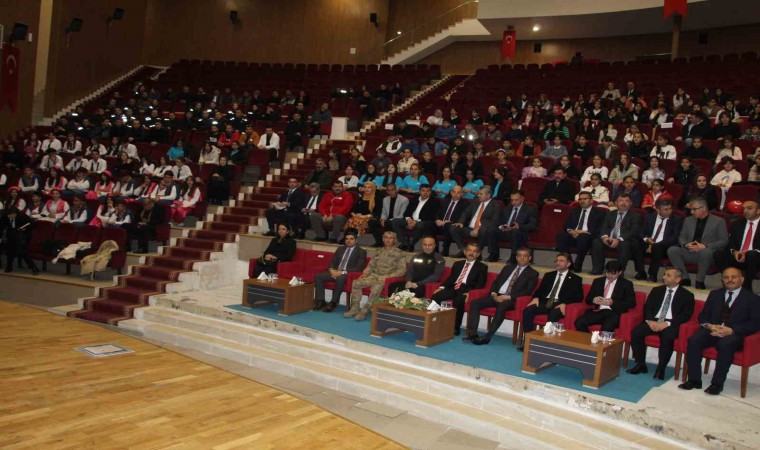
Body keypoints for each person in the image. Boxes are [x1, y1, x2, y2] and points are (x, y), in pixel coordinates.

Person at [679, 267, 760, 395]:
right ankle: (694, 380)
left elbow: (755, 324)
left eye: (734, 277)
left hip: (735, 334)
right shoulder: (715, 294)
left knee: (725, 344)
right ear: (722, 280)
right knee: (694, 340)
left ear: (742, 279)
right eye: (726, 277)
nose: (730, 280)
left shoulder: (752, 298)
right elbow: (703, 316)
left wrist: (732, 330)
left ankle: (717, 384)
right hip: (713, 330)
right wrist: (710, 326)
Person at [627, 266, 695, 380]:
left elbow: (686, 315)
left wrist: (667, 323)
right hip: (654, 321)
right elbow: (647, 307)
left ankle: (661, 368)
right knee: (636, 332)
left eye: (668, 275)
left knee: (667, 337)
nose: (664, 277)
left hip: (670, 324)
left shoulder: (687, 295)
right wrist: (650, 320)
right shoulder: (656, 290)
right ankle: (640, 364)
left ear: (678, 279)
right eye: (664, 274)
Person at [467, 248, 539, 345]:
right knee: (475, 303)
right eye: (519, 255)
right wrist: (493, 293)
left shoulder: (533, 273)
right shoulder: (507, 268)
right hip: (497, 295)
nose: (522, 258)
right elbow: (496, 282)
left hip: (511, 299)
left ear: (529, 258)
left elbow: (527, 292)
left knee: (502, 305)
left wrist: (508, 297)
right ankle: (473, 334)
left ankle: (487, 337)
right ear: (516, 257)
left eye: (525, 256)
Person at [518, 253, 584, 351]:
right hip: (546, 302)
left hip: (559, 304)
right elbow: (540, 290)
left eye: (561, 261)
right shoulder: (549, 275)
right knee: (528, 310)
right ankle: (529, 341)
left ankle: (546, 344)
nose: (558, 263)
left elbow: (579, 297)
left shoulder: (575, 279)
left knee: (553, 314)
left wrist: (565, 304)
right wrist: (536, 298)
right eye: (557, 261)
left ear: (568, 264)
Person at [667, 197, 728, 289]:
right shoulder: (688, 220)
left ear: (703, 208)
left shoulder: (719, 221)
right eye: (691, 209)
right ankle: (684, 278)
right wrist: (686, 245)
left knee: (706, 252)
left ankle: (700, 281)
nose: (692, 212)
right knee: (672, 250)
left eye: (694, 209)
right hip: (690, 252)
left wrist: (705, 246)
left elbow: (724, 240)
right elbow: (681, 237)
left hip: (708, 255)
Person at [345, 231, 407, 321]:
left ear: (395, 240)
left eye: (390, 238)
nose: (388, 240)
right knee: (356, 283)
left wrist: (389, 276)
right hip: (374, 276)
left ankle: (365, 310)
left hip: (385, 279)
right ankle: (354, 308)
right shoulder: (378, 251)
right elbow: (371, 265)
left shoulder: (400, 253)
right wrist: (366, 272)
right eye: (386, 237)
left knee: (376, 288)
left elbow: (402, 270)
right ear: (383, 239)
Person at [431, 243, 488, 335]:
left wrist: (471, 294)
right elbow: (451, 278)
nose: (471, 253)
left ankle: (455, 327)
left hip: (466, 290)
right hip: (454, 288)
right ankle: (436, 322)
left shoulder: (482, 267)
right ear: (465, 252)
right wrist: (441, 287)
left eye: (474, 251)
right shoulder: (457, 264)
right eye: (469, 250)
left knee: (458, 301)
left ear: (478, 254)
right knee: (436, 296)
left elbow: (481, 284)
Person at [313, 229, 368, 312]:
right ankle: (320, 301)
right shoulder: (340, 249)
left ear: (356, 240)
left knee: (341, 278)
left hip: (348, 274)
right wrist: (331, 270)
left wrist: (342, 272)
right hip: (335, 272)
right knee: (318, 276)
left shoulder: (361, 252)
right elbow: (333, 262)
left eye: (351, 239)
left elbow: (359, 268)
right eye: (347, 239)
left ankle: (333, 302)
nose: (348, 241)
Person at [575, 260, 635, 333]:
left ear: (620, 273)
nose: (610, 276)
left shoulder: (626, 284)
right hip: (598, 311)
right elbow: (588, 299)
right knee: (579, 322)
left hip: (614, 313)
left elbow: (631, 303)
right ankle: (589, 339)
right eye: (608, 273)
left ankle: (603, 340)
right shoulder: (598, 281)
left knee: (606, 328)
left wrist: (612, 302)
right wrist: (594, 300)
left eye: (613, 274)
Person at [590, 193, 643, 275]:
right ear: (616, 203)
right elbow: (604, 227)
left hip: (624, 240)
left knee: (625, 244)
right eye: (620, 200)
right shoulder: (610, 214)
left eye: (627, 201)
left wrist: (618, 239)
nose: (623, 203)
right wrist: (605, 237)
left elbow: (633, 231)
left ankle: (619, 271)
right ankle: (597, 269)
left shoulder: (636, 216)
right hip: (610, 239)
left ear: (631, 203)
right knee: (597, 242)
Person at [632, 198, 682, 282]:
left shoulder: (676, 219)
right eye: (666, 209)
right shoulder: (650, 217)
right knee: (636, 244)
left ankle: (653, 274)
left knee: (658, 247)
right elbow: (640, 232)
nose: (669, 211)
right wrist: (646, 239)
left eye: (670, 208)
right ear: (658, 210)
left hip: (665, 245)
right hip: (649, 242)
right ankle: (641, 272)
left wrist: (655, 245)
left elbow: (674, 237)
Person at [714, 200, 760, 290]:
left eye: (749, 208)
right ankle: (728, 283)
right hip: (739, 255)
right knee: (718, 254)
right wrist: (735, 252)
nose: (745, 211)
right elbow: (731, 243)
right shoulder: (738, 224)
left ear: (758, 211)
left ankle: (746, 287)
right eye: (744, 209)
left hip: (756, 257)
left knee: (751, 255)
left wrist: (747, 252)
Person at [557, 192, 606, 272]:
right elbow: (567, 225)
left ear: (591, 201)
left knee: (583, 237)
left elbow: (601, 228)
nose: (582, 201)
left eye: (585, 199)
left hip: (589, 235)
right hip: (574, 234)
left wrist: (583, 232)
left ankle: (578, 264)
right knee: (561, 237)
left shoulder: (600, 212)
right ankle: (569, 264)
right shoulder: (574, 210)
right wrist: (571, 231)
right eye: (580, 199)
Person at [449, 186, 502, 258]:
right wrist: (461, 222)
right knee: (453, 228)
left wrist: (478, 228)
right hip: (469, 228)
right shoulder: (475, 201)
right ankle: (464, 251)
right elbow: (466, 212)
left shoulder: (495, 206)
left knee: (483, 230)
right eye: (478, 193)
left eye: (481, 194)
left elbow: (494, 222)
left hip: (482, 229)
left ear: (488, 195)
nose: (478, 195)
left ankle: (477, 253)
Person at [489, 190, 538, 263]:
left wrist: (519, 226)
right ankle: (494, 253)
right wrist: (502, 226)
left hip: (520, 232)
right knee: (491, 230)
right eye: (512, 200)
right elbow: (499, 221)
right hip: (506, 231)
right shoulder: (507, 208)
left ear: (522, 199)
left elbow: (532, 225)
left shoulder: (530, 209)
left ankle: (513, 256)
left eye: (516, 200)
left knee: (515, 232)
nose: (513, 202)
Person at [0, 208, 39, 274]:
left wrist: (26, 228)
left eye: (11, 216)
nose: (10, 217)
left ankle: (33, 267)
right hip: (10, 234)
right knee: (9, 249)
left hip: (22, 234)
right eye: (8, 216)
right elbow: (1, 227)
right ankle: (9, 266)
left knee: (22, 250)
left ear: (15, 214)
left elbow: (33, 224)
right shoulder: (5, 217)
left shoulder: (22, 216)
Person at [434, 185, 467, 256]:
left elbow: (462, 218)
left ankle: (445, 249)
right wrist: (437, 220)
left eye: (458, 193)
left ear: (461, 194)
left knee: (448, 226)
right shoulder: (445, 200)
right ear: (451, 192)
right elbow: (438, 212)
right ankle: (434, 248)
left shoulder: (464, 204)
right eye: (454, 192)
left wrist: (448, 222)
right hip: (441, 223)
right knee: (429, 225)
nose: (455, 194)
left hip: (452, 225)